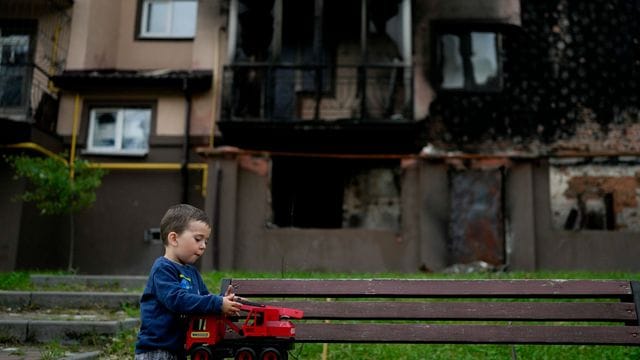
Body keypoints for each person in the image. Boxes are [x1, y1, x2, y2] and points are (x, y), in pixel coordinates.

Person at [135, 204, 242, 360]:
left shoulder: (192, 273)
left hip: (181, 350)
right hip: (157, 351)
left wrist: (224, 301)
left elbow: (203, 301)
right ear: (174, 238)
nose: (203, 246)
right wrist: (217, 303)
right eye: (198, 239)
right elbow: (177, 300)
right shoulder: (163, 269)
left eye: (206, 241)